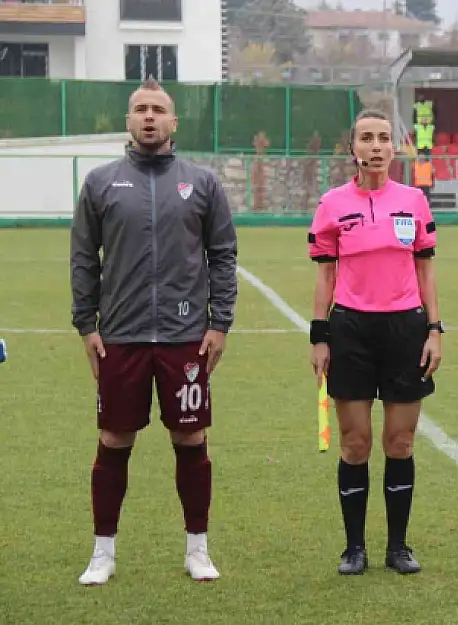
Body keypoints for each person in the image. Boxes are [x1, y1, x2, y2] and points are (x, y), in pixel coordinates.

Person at [69, 76, 238, 585]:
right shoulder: (100, 183)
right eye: (140, 108)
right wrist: (86, 324)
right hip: (120, 335)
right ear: (128, 120)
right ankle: (103, 552)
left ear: (173, 121)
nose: (149, 116)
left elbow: (223, 256)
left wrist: (220, 322)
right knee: (114, 438)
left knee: (191, 436)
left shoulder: (202, 183)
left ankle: (198, 548)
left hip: (187, 335)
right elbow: (83, 258)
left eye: (157, 109)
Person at [308, 109, 443, 576]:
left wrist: (434, 330)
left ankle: (398, 547)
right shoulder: (331, 205)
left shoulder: (414, 201)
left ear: (394, 147)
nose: (376, 146)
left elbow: (426, 269)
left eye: (384, 138)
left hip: (405, 329)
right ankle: (354, 549)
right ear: (353, 149)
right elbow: (326, 275)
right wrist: (319, 337)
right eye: (366, 138)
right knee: (355, 443)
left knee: (400, 441)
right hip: (351, 330)